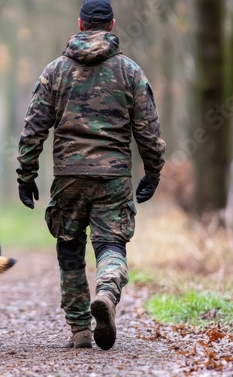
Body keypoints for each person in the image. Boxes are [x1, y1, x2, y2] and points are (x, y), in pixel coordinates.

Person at [16, 0, 165, 350]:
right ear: (111, 25)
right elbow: (148, 129)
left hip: (68, 175)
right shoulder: (130, 72)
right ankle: (107, 293)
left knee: (69, 249)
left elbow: (33, 128)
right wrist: (153, 171)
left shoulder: (55, 71)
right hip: (113, 176)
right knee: (110, 244)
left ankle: (81, 329)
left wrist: (26, 174)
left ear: (80, 24)